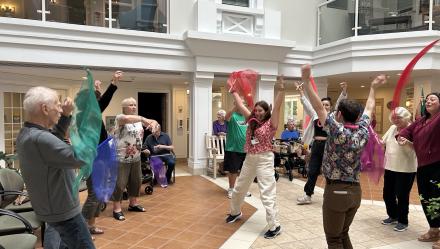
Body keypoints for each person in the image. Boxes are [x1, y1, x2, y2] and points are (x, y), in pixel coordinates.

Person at [301, 64, 386, 249]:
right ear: (358, 117)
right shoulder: (363, 129)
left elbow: (318, 107)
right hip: (355, 192)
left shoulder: (336, 130)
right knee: (342, 233)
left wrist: (307, 81)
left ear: (339, 114)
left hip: (336, 192)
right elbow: (370, 107)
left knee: (333, 239)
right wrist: (373, 87)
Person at [16, 86, 95, 248]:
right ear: (45, 108)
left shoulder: (29, 133)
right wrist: (87, 124)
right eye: (58, 104)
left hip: (53, 208)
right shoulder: (40, 139)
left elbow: (54, 139)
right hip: (63, 212)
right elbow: (81, 158)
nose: (61, 108)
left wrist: (65, 115)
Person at [226, 76, 285, 239]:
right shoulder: (250, 119)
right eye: (256, 110)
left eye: (261, 110)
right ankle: (235, 212)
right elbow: (239, 104)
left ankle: (275, 225)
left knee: (267, 192)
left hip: (265, 159)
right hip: (250, 158)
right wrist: (234, 91)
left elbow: (278, 107)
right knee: (239, 189)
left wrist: (280, 89)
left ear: (266, 112)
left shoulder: (270, 124)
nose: (258, 112)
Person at [397, 92, 440, 248]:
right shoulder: (421, 121)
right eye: (427, 99)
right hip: (423, 166)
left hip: (438, 165)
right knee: (426, 199)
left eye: (432, 99)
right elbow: (405, 131)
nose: (428, 101)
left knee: (438, 199)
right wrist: (401, 137)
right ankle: (434, 229)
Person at [81, 71, 122, 235]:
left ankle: (90, 225)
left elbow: (99, 102)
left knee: (97, 194)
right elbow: (101, 102)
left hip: (99, 158)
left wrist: (96, 88)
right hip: (94, 159)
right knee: (94, 195)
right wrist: (112, 83)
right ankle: (81, 229)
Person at [296, 81, 348, 205]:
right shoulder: (315, 115)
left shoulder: (333, 116)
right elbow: (307, 104)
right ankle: (308, 195)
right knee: (312, 170)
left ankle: (331, 196)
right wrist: (301, 92)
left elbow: (340, 105)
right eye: (322, 104)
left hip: (329, 147)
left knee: (330, 172)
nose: (324, 107)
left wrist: (344, 92)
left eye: (327, 105)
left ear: (330, 107)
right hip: (316, 146)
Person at [111, 97, 158, 221]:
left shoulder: (137, 121)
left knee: (136, 182)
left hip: (136, 157)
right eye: (131, 105)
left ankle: (133, 204)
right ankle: (117, 209)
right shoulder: (120, 118)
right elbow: (127, 119)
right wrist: (144, 119)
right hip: (121, 158)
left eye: (135, 105)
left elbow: (153, 122)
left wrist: (153, 123)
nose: (134, 107)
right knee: (120, 184)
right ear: (124, 107)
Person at [381, 107, 417, 232]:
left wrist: (407, 143)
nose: (395, 120)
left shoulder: (412, 128)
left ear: (406, 117)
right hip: (390, 166)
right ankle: (393, 215)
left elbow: (417, 147)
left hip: (406, 168)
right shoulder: (392, 128)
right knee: (387, 194)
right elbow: (383, 141)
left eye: (399, 118)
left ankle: (403, 221)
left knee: (402, 195)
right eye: (394, 118)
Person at [224, 103, 251, 199]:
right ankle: (231, 189)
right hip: (233, 148)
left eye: (244, 104)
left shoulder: (247, 117)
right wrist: (236, 105)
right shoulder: (232, 115)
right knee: (233, 170)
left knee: (245, 171)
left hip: (246, 149)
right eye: (240, 104)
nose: (242, 106)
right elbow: (226, 117)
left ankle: (242, 190)